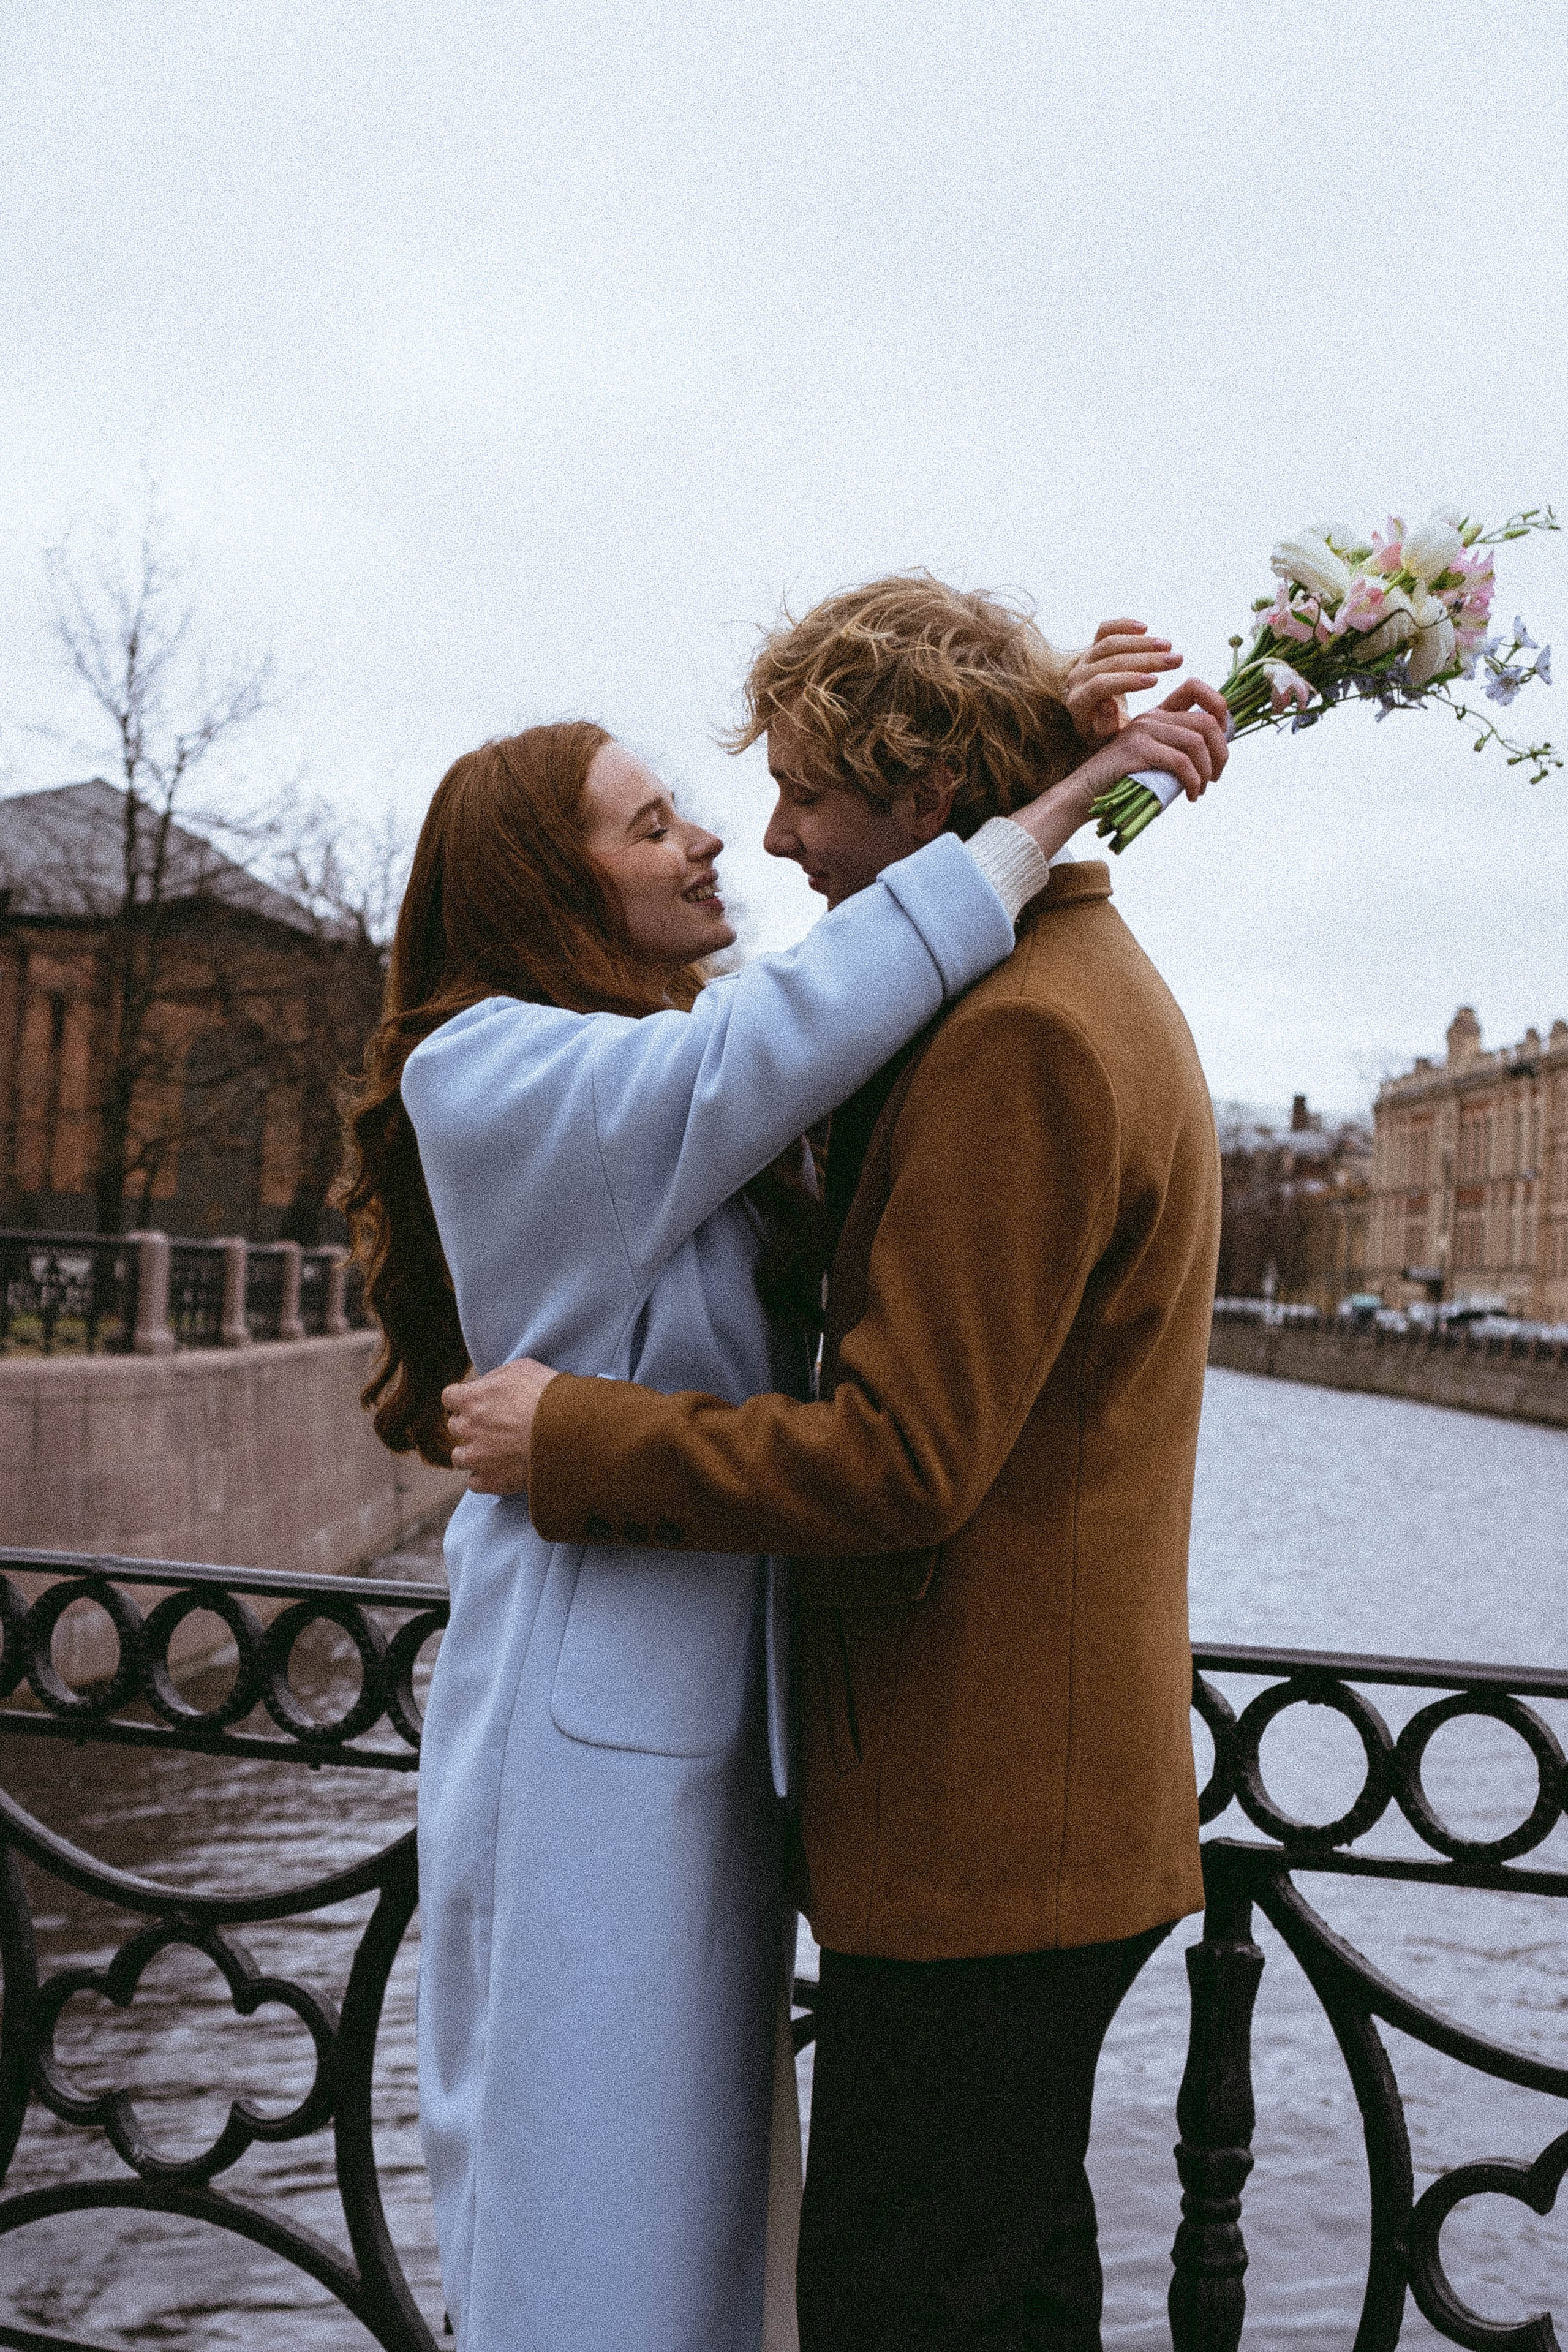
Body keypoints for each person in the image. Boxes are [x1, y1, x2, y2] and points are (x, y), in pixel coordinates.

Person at [342, 658, 1218, 2352]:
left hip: (715, 1724)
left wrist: (1049, 730)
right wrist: (1040, 804)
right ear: (546, 882)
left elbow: (822, 1057)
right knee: (577, 2174)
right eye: (650, 823)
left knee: (720, 2205)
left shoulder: (670, 1068)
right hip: (587, 1717)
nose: (719, 846)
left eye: (720, 807)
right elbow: (794, 1032)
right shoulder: (494, 1067)